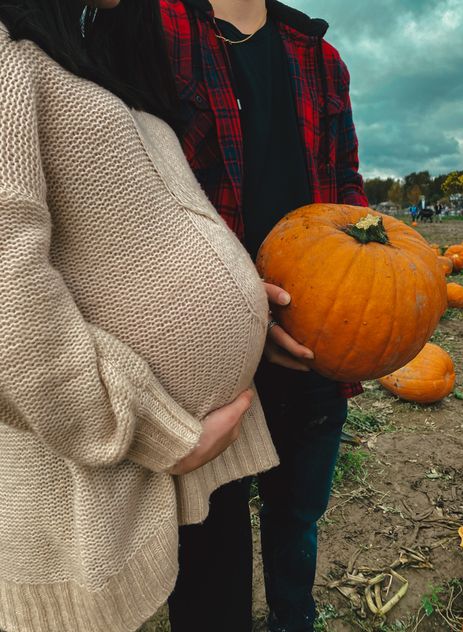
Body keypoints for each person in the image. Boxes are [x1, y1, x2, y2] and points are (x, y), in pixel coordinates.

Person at [0, 1, 279, 631]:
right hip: (126, 448)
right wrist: (158, 433)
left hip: (212, 439)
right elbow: (8, 291)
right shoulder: (7, 54)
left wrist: (236, 292)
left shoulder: (101, 50)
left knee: (220, 613)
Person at [160, 1, 368, 631]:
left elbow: (346, 186)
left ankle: (291, 620)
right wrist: (243, 307)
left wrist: (371, 276)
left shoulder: (321, 57)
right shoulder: (155, 28)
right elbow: (149, 197)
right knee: (208, 541)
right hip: (206, 344)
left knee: (296, 518)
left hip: (315, 338)